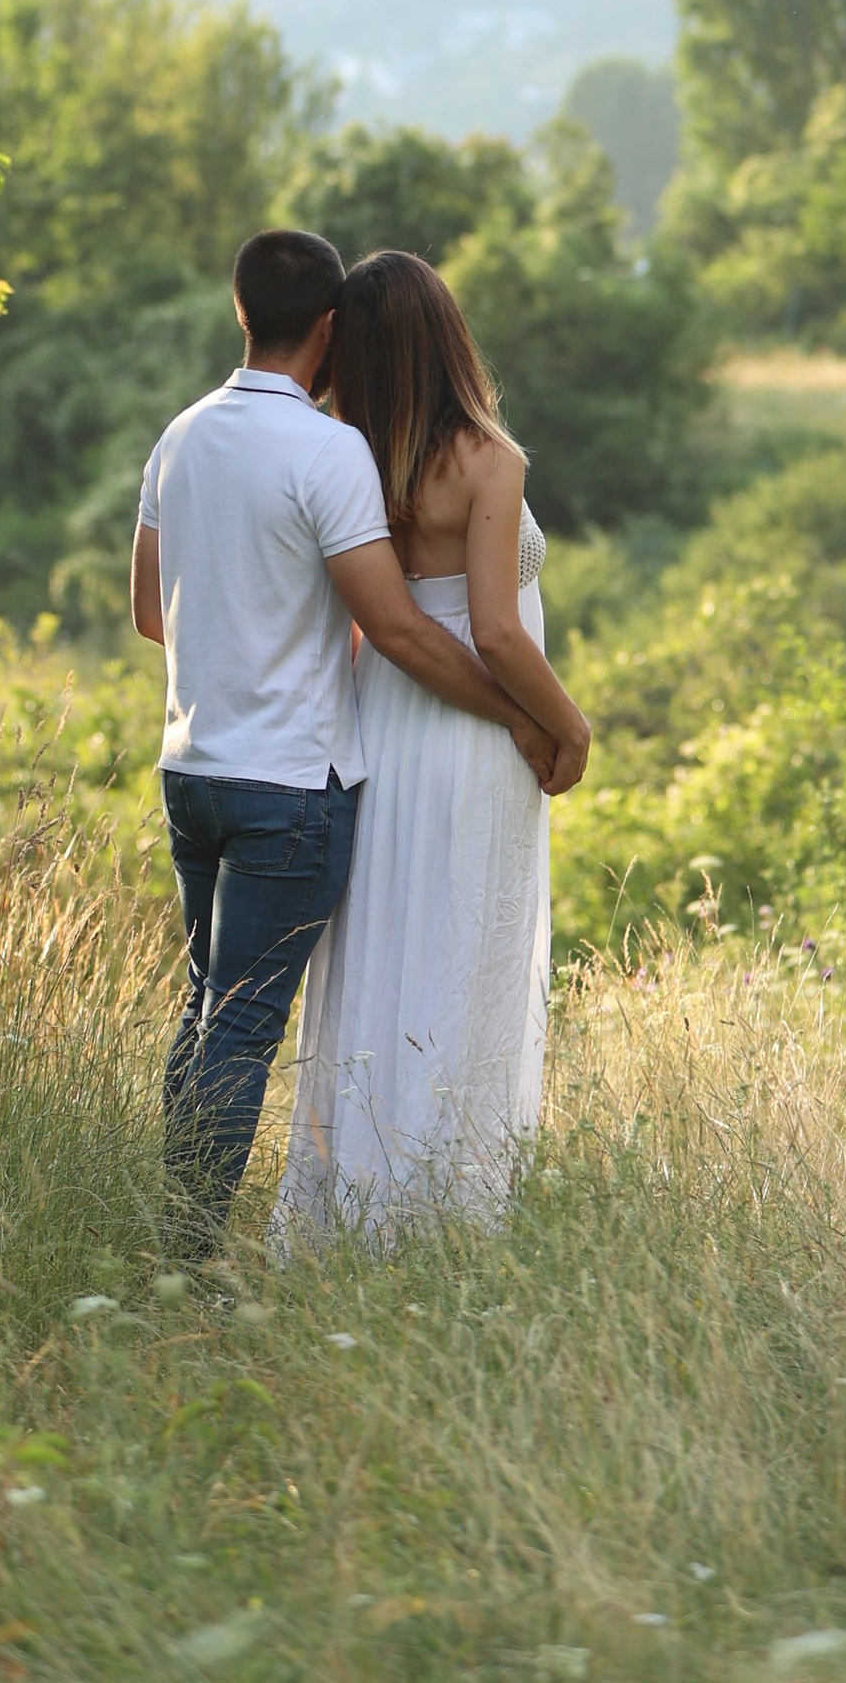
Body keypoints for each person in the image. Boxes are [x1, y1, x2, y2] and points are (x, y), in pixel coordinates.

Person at [131, 223, 568, 1244]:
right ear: (325, 330)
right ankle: (188, 1256)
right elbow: (404, 626)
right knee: (246, 1024)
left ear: (242, 311)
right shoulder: (334, 454)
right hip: (292, 775)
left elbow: (154, 612)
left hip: (192, 762)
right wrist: (537, 719)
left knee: (208, 1009)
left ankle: (184, 1234)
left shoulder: (182, 433)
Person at [278, 248, 592, 1239]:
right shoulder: (487, 461)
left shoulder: (344, 457)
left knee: (379, 950)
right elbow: (497, 630)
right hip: (468, 735)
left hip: (382, 721)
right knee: (466, 950)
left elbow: (370, 619)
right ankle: (443, 1210)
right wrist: (566, 723)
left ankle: (355, 1205)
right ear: (447, 335)